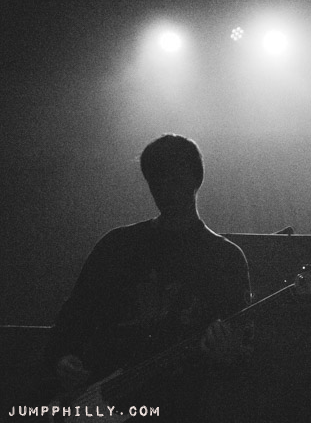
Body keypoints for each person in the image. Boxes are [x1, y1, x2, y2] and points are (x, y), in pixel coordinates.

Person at [44, 134, 253, 422]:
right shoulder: (117, 246)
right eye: (155, 179)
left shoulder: (225, 259)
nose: (163, 187)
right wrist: (64, 358)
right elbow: (73, 317)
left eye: (173, 177)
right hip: (100, 400)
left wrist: (228, 353)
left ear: (196, 178)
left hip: (176, 408)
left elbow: (242, 351)